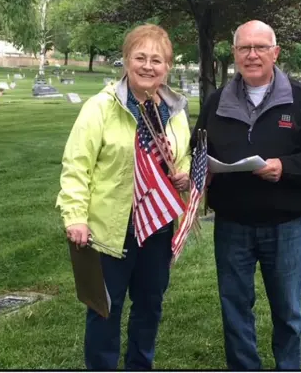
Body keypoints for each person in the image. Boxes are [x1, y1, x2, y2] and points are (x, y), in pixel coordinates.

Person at [191, 20, 301, 370]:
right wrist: (200, 171)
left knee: (287, 311)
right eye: (244, 48)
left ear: (275, 53)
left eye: (260, 47)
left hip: (285, 225)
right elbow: (198, 151)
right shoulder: (216, 102)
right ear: (234, 54)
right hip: (231, 225)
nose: (252, 55)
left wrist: (284, 167)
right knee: (234, 308)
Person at [56, 24, 191, 370]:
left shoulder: (175, 110)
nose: (148, 66)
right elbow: (77, 165)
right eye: (140, 57)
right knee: (105, 311)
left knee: (149, 308)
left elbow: (184, 154)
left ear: (167, 67)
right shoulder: (101, 107)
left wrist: (185, 171)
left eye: (156, 60)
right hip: (109, 232)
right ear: (126, 60)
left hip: (157, 230)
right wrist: (75, 216)